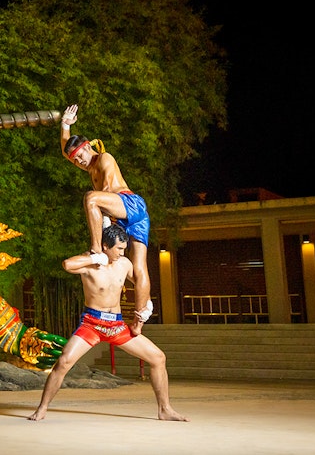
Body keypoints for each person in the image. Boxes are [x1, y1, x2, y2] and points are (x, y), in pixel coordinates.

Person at [27, 224, 187, 421]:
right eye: (118, 248)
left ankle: (165, 409)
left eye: (123, 248)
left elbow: (141, 283)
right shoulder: (90, 265)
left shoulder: (124, 264)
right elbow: (67, 264)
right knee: (63, 362)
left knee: (158, 358)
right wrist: (94, 258)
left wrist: (146, 307)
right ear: (105, 246)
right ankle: (42, 408)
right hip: (91, 324)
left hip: (117, 326)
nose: (121, 252)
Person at [60, 103, 152, 334]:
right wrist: (65, 126)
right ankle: (140, 319)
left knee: (91, 198)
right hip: (134, 218)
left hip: (129, 204)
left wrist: (104, 224)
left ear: (87, 146)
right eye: (74, 159)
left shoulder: (103, 159)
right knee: (138, 269)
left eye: (79, 155)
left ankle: (95, 250)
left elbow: (110, 191)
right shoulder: (87, 166)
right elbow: (65, 149)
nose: (78, 161)